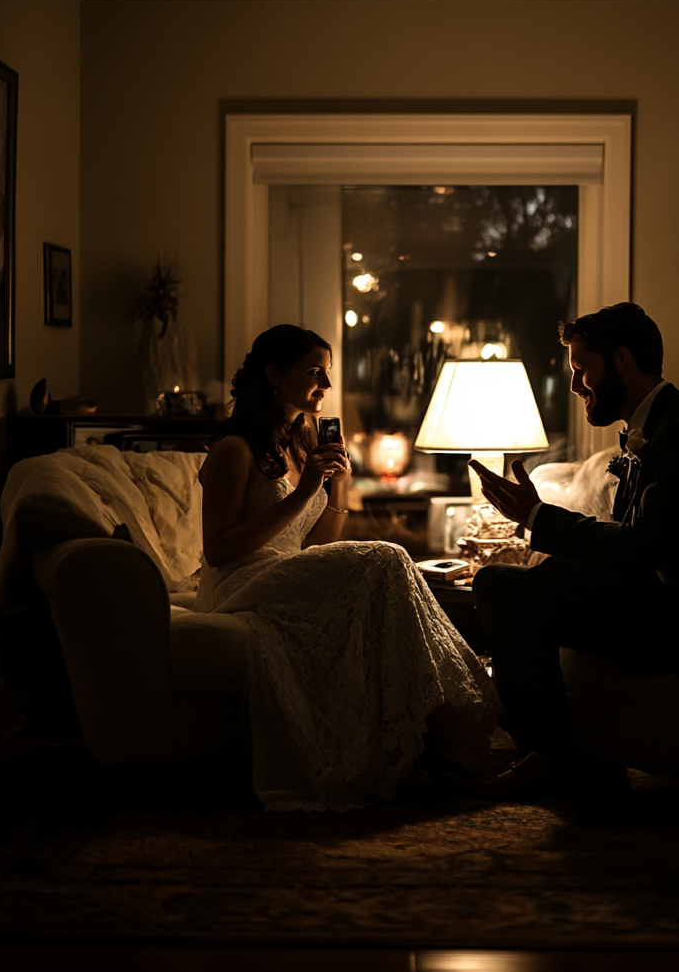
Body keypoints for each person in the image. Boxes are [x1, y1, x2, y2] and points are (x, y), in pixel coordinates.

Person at [467, 302, 679, 802]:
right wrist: (535, 519)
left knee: (550, 583)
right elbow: (634, 548)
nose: (575, 385)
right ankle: (542, 748)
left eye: (582, 369)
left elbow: (641, 549)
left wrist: (538, 517)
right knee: (495, 582)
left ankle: (556, 758)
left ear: (622, 360)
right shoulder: (652, 426)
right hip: (663, 596)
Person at [194, 324, 499, 812]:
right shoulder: (235, 449)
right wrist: (302, 492)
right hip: (238, 583)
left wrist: (335, 489)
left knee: (382, 574)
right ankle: (453, 741)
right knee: (386, 556)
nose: (326, 386)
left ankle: (444, 733)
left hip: (285, 573)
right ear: (273, 375)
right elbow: (219, 551)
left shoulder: (299, 443)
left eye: (327, 373)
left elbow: (315, 542)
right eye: (313, 372)